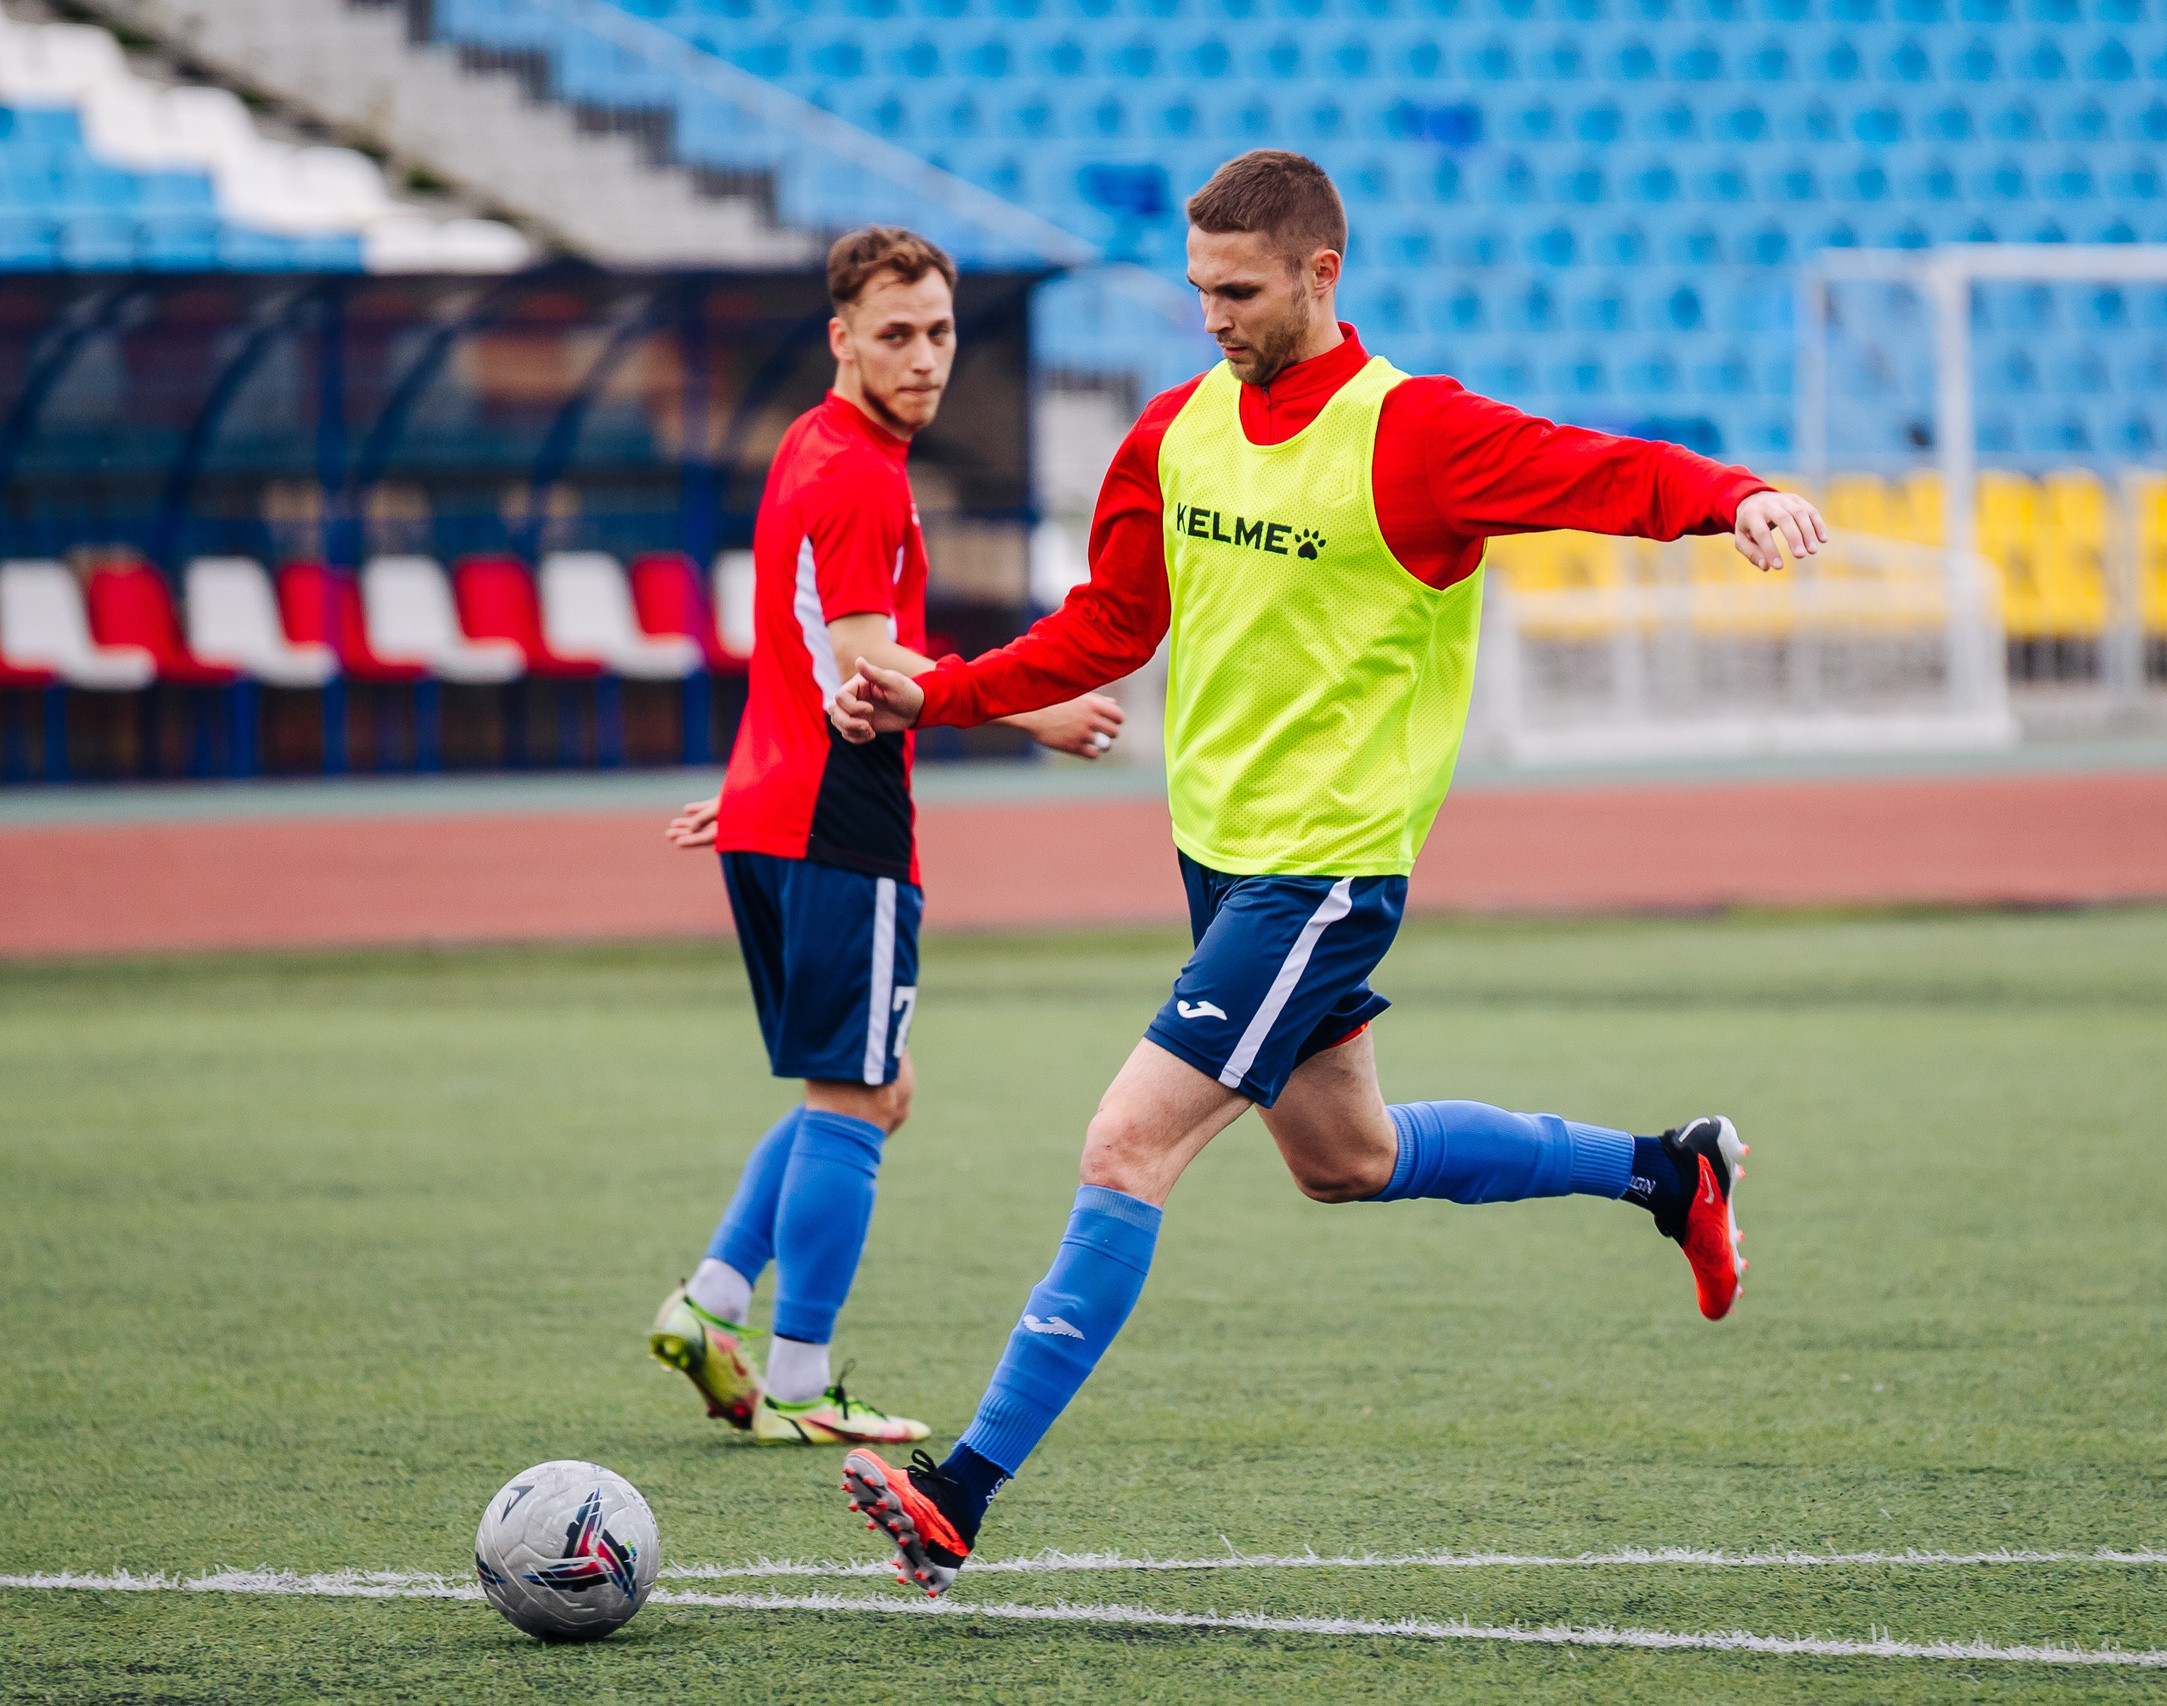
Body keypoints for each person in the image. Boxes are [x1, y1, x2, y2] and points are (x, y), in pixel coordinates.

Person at [828, 152, 1830, 1584]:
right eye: (1197, 290)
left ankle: (961, 1490)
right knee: (1344, 1161)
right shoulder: (1173, 432)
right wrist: (948, 691)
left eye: (1238, 291)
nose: (1213, 317)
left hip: (1327, 876)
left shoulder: (1413, 433)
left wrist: (1735, 496)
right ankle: (1667, 1173)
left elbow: (1598, 469)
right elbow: (1108, 623)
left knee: (1127, 1144)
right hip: (1220, 864)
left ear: (1320, 274)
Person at [651, 225, 1124, 1446]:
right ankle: (800, 1375)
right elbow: (861, 659)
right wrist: (1037, 705)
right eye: (897, 333)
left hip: (778, 803)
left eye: (941, 332)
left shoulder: (809, 446)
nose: (923, 357)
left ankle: (712, 1307)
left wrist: (752, 788)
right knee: (857, 1097)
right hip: (837, 816)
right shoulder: (858, 471)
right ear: (841, 337)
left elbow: (799, 649)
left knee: (867, 1087)